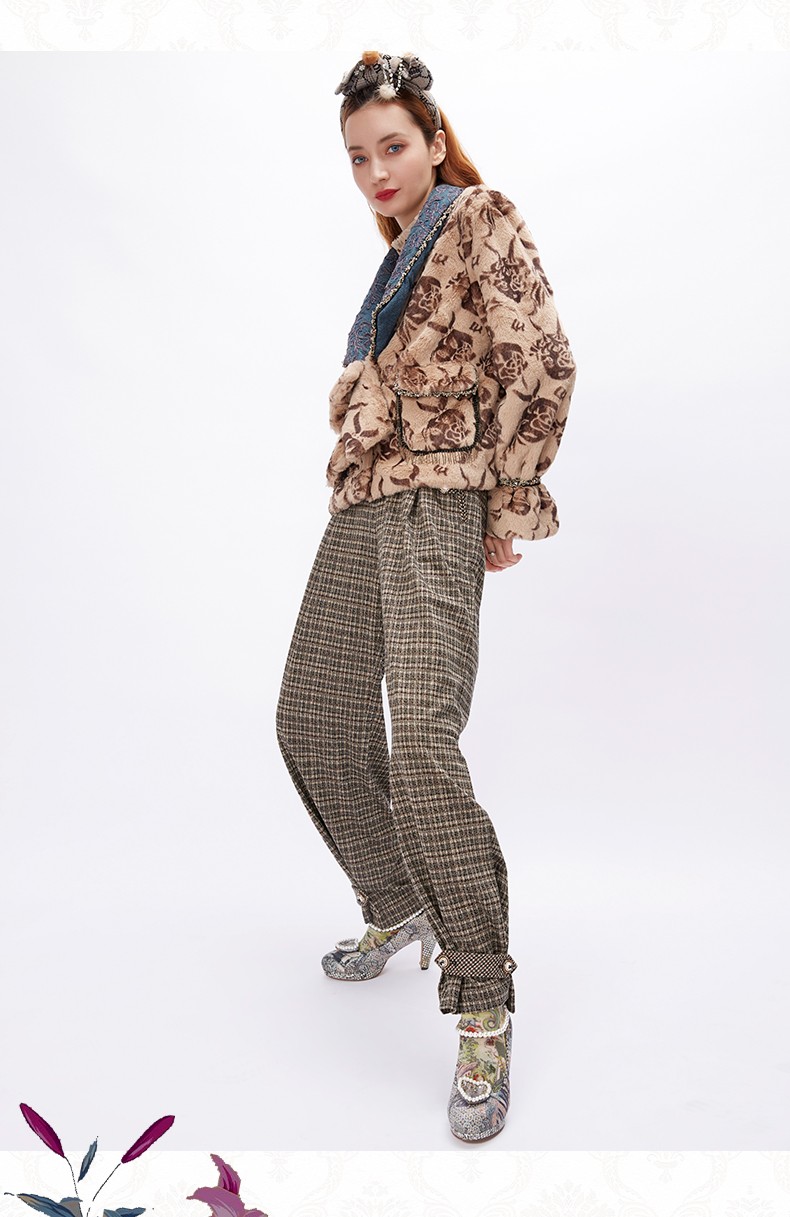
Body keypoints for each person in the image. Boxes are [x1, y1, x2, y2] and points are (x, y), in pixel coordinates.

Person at [276, 49, 576, 1142]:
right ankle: (401, 900)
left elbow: (543, 360)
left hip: (437, 502)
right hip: (364, 503)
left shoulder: (476, 215)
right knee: (311, 718)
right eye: (358, 158)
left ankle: (483, 998)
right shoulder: (396, 256)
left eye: (393, 147)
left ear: (435, 141)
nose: (376, 172)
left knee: (422, 750)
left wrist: (506, 499)